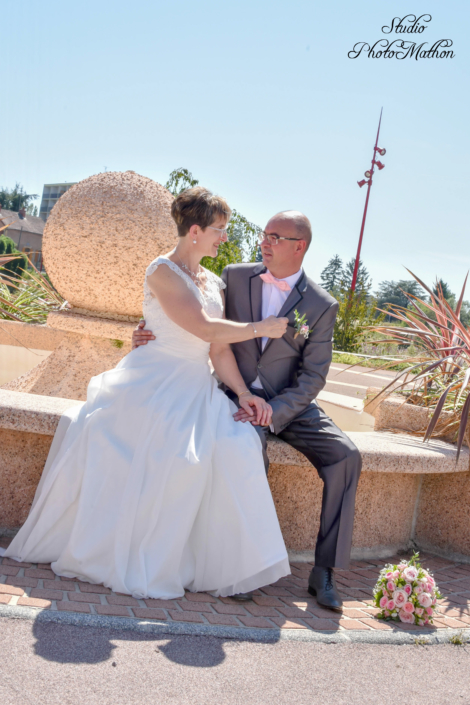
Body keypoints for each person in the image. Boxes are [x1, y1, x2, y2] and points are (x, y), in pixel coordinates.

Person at [0, 187, 291, 600]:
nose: (223, 237)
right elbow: (204, 328)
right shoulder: (161, 271)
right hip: (153, 381)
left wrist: (243, 393)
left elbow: (217, 348)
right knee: (172, 457)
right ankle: (135, 556)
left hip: (195, 384)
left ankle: (220, 566)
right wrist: (262, 327)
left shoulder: (212, 281)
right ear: (194, 230)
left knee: (237, 444)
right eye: (218, 229)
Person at [133, 209, 362, 611]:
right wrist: (145, 329)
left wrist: (273, 411)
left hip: (290, 403)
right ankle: (236, 568)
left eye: (276, 237)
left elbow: (313, 377)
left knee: (346, 457)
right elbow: (193, 313)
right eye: (265, 234)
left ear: (300, 246)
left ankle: (323, 572)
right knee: (244, 449)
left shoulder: (322, 305)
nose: (265, 242)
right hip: (233, 396)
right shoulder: (235, 277)